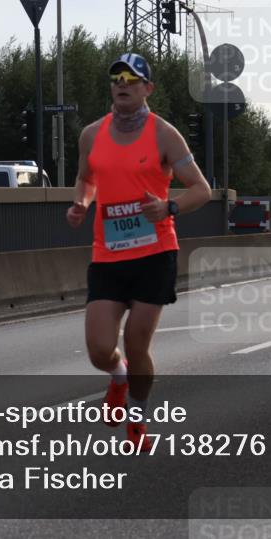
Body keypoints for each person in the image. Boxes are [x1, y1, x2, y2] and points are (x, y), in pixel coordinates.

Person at [67, 53, 212, 449]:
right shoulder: (91, 135)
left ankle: (137, 414)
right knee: (100, 349)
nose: (122, 83)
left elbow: (201, 189)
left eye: (132, 78)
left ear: (148, 88)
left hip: (154, 253)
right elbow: (85, 179)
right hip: (108, 255)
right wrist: (81, 203)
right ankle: (118, 377)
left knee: (136, 341)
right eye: (116, 77)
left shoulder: (164, 134)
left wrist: (169, 207)